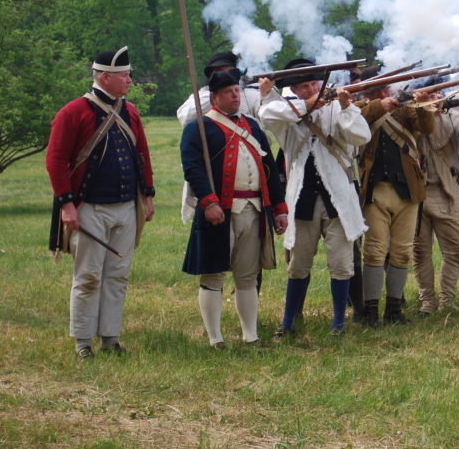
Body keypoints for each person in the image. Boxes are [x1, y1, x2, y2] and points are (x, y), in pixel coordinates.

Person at [46, 47, 156, 359]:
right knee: (89, 276)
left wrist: (146, 196)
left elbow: (142, 155)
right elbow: (55, 161)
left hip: (125, 207)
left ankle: (111, 337)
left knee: (118, 275)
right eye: (124, 75)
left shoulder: (130, 111)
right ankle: (83, 341)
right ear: (105, 77)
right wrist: (67, 205)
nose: (129, 80)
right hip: (89, 208)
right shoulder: (73, 112)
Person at [258, 59, 370, 336]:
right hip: (302, 199)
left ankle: (338, 323)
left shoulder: (337, 108)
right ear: (294, 89)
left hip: (338, 199)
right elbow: (267, 114)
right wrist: (307, 106)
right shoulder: (288, 112)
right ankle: (288, 321)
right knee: (298, 265)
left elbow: (360, 136)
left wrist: (345, 106)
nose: (310, 89)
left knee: (342, 264)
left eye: (313, 84)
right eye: (304, 86)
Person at [181, 70, 288, 347]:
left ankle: (250, 336)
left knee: (247, 275)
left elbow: (268, 171)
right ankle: (215, 338)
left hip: (254, 208)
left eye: (237, 91)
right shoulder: (199, 128)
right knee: (214, 274)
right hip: (220, 210)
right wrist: (208, 201)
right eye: (228, 92)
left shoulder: (253, 127)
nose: (235, 95)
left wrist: (279, 208)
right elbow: (192, 168)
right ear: (214, 97)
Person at [357, 77, 436, 326]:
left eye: (385, 88)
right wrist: (383, 104)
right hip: (375, 189)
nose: (384, 92)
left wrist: (423, 104)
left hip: (407, 189)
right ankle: (370, 310)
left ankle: (393, 309)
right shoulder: (361, 107)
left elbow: (426, 128)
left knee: (402, 252)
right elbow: (363, 118)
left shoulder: (406, 109)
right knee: (375, 250)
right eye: (378, 89)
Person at [176, 51, 276, 223]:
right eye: (219, 72)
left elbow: (270, 119)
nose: (224, 75)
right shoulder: (203, 95)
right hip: (215, 174)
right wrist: (217, 91)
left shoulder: (250, 94)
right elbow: (186, 116)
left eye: (228, 71)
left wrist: (267, 94)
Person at [413, 83, 459, 315]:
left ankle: (447, 299)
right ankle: (427, 301)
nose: (436, 98)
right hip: (417, 193)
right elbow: (422, 133)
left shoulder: (452, 116)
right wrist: (424, 111)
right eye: (430, 95)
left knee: (454, 249)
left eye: (438, 94)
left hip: (446, 189)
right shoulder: (412, 116)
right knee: (420, 253)